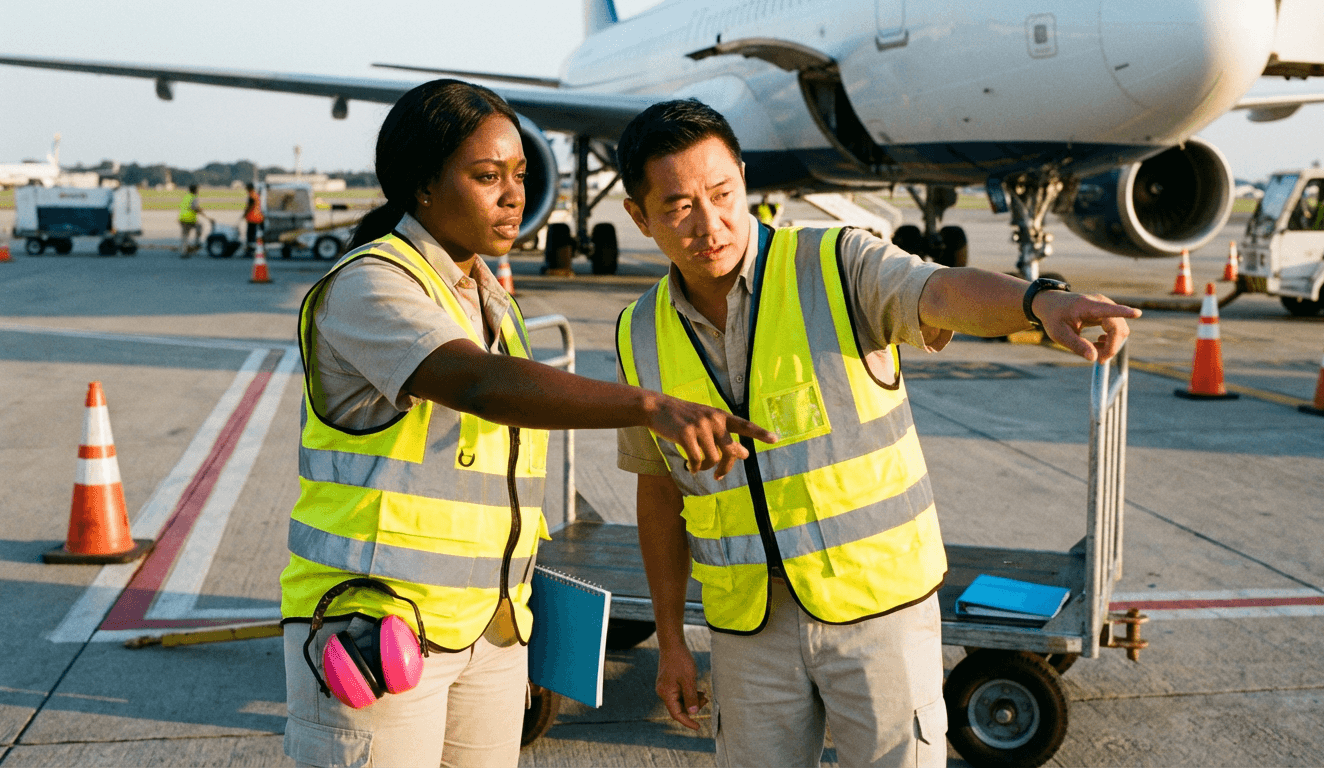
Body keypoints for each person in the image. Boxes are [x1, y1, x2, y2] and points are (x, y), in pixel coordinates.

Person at [613, 100, 1139, 768]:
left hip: (878, 611)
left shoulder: (834, 263)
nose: (709, 224)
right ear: (639, 215)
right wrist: (671, 641)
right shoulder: (638, 333)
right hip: (748, 629)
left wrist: (1036, 304)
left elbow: (939, 291)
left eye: (722, 194)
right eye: (678, 207)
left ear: (744, 179)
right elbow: (659, 495)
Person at [280, 81, 774, 768]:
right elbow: (483, 386)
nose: (513, 195)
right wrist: (649, 406)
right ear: (421, 185)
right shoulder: (372, 283)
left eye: (519, 175)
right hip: (382, 629)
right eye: (487, 177)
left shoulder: (493, 303)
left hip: (490, 628)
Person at [178, 183, 204, 257]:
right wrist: (201, 211)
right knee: (199, 227)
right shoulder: (194, 198)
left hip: (182, 219)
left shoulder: (186, 197)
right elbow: (194, 208)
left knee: (185, 236)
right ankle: (197, 242)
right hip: (189, 219)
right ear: (195, 190)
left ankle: (184, 251)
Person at [243, 181, 265, 255]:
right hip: (259, 217)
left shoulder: (251, 196)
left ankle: (250, 250)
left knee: (250, 235)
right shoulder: (256, 195)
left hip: (253, 218)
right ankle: (259, 249)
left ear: (249, 188)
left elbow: (250, 207)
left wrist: (244, 214)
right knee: (257, 235)